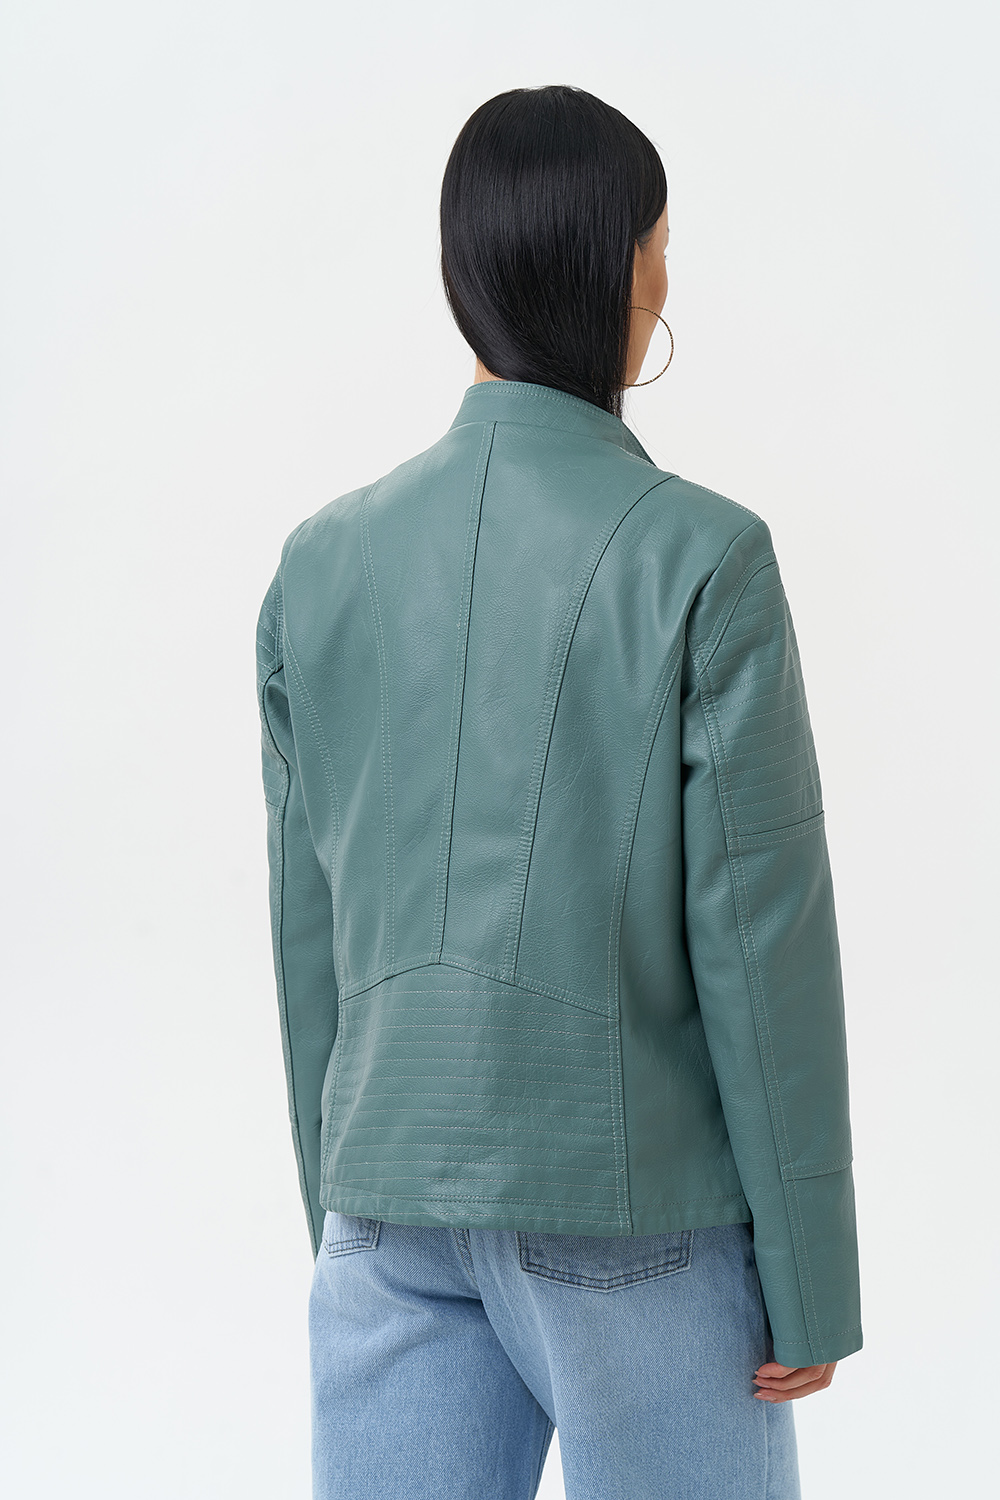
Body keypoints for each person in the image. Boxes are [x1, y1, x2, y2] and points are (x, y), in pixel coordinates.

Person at [256, 83, 862, 1500]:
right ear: (615, 269)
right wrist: (813, 1276)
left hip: (387, 1208)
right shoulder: (703, 557)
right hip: (635, 1218)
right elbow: (760, 937)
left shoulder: (316, 566)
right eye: (662, 244)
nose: (668, 280)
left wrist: (344, 1205)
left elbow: (308, 932)